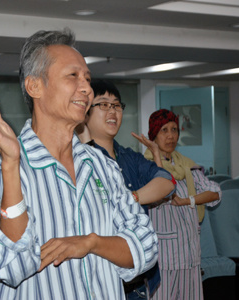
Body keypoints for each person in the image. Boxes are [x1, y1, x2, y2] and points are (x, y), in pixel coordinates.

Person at [0, 28, 158, 300]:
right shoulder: (0, 172)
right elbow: (10, 267)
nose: (86, 88)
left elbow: (147, 247)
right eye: (73, 76)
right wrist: (11, 163)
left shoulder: (101, 165)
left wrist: (92, 243)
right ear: (34, 86)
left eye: (87, 78)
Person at [77, 79, 176, 299]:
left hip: (137, 284)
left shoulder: (130, 158)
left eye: (116, 105)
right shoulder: (77, 161)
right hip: (100, 282)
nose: (112, 110)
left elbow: (167, 182)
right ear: (84, 113)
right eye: (103, 104)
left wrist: (130, 197)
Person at [144, 108, 221, 300]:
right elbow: (162, 190)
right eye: (164, 130)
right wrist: (155, 156)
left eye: (174, 129)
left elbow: (215, 193)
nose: (170, 136)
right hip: (163, 261)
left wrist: (189, 200)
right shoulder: (144, 167)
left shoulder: (187, 166)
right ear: (153, 134)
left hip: (191, 256)